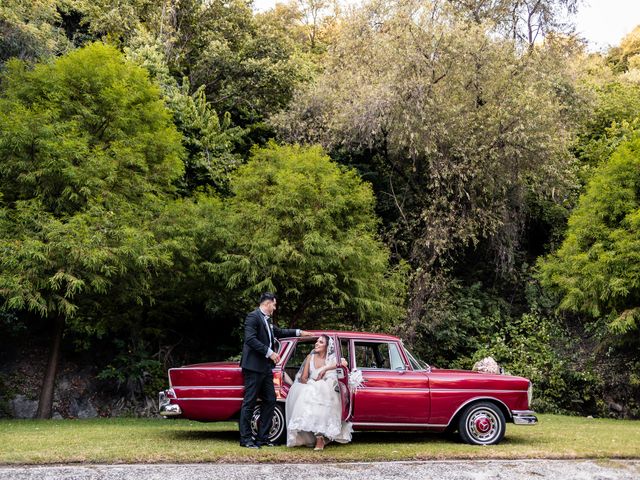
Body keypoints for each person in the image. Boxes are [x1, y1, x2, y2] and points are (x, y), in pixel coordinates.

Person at [239, 292, 311, 449]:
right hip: (253, 367)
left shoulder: (267, 321)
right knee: (249, 402)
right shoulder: (253, 317)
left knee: (270, 400)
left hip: (265, 368)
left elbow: (280, 332)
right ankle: (245, 439)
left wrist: (299, 332)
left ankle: (262, 438)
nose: (275, 307)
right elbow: (250, 339)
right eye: (274, 304)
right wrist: (270, 353)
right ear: (267, 303)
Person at [285, 334, 353, 450]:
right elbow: (303, 378)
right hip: (314, 386)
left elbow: (344, 364)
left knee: (320, 389)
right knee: (310, 391)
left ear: (327, 346)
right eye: (317, 341)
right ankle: (318, 438)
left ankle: (321, 439)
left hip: (329, 389)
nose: (317, 343)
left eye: (321, 342)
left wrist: (325, 369)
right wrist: (312, 380)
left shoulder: (332, 358)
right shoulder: (309, 357)